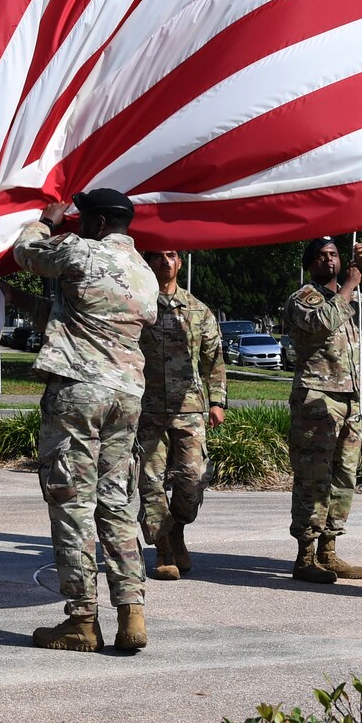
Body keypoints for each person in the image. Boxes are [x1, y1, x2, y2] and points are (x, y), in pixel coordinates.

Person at [10, 189, 159, 653]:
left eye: (80, 218)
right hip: (126, 395)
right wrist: (11, 299)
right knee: (115, 502)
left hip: (79, 393)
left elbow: (24, 252)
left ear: (95, 224)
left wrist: (46, 222)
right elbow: (78, 318)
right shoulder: (145, 273)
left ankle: (81, 620)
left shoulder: (82, 250)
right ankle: (131, 612)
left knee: (72, 502)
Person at [283, 235, 362, 584]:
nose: (329, 260)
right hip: (318, 395)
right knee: (313, 476)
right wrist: (350, 286)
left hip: (351, 396)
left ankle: (329, 550)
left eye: (334, 255)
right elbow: (321, 322)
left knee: (344, 477)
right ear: (310, 264)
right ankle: (305, 555)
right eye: (322, 256)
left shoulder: (355, 298)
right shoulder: (303, 298)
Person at [136, 248, 226, 581]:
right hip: (145, 408)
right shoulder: (137, 304)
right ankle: (164, 549)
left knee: (193, 480)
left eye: (171, 255)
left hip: (189, 409)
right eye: (157, 256)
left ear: (180, 263)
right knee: (150, 482)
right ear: (148, 263)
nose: (164, 261)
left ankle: (177, 527)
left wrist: (218, 401)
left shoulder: (198, 310)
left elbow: (214, 358)